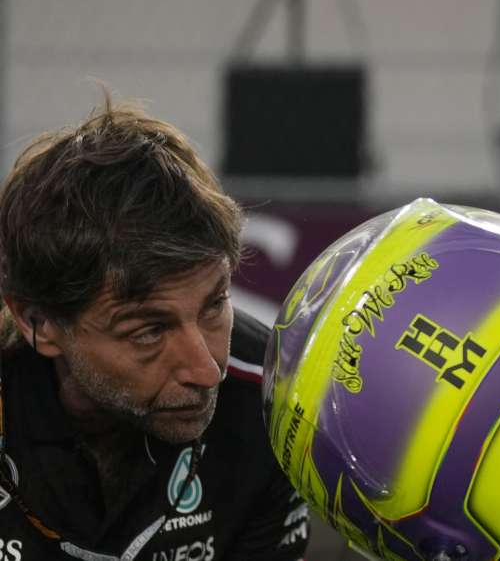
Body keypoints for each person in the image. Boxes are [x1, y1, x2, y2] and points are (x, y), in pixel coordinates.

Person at [0, 98, 310, 560]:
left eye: (214, 305)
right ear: (38, 323)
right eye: (148, 332)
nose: (207, 371)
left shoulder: (272, 400)